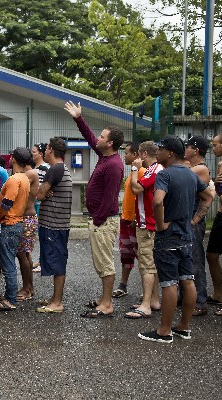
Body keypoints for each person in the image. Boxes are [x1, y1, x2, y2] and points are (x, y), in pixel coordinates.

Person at [138, 136, 213, 343]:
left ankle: (164, 331)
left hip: (168, 237)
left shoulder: (165, 175)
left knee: (169, 283)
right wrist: (195, 219)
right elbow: (208, 196)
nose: (157, 152)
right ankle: (184, 327)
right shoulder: (190, 175)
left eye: (160, 149)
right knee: (187, 280)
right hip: (186, 236)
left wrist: (160, 224)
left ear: (169, 153)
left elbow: (158, 201)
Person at [64, 101, 124, 318]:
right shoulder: (105, 157)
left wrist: (98, 220)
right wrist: (79, 118)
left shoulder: (114, 165)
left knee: (105, 263)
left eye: (102, 136)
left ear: (110, 143)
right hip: (101, 220)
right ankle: (103, 298)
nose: (97, 138)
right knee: (101, 262)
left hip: (104, 221)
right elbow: (90, 138)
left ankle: (107, 303)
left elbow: (110, 197)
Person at [124, 141, 162, 319]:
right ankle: (153, 299)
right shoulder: (151, 170)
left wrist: (133, 170)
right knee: (150, 263)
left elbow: (137, 188)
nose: (137, 157)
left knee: (146, 265)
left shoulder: (155, 170)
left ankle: (146, 304)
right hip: (144, 222)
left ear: (144, 154)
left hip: (149, 224)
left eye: (139, 154)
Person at [35, 138, 73, 313]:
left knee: (57, 262)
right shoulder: (60, 168)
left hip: (54, 224)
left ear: (51, 150)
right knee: (56, 260)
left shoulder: (55, 169)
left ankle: (57, 302)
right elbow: (44, 192)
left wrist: (43, 191)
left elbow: (40, 195)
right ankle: (54, 298)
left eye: (47, 148)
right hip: (57, 223)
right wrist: (44, 191)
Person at [0, 147, 30, 311]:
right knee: (9, 261)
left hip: (9, 223)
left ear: (14, 159)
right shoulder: (25, 178)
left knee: (8, 262)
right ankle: (10, 295)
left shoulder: (14, 180)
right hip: (18, 222)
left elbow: (7, 203)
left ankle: (10, 299)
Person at [184, 136, 211, 316]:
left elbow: (181, 177)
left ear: (196, 150)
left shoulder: (200, 169)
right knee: (185, 258)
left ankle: (200, 300)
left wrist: (195, 219)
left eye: (187, 147)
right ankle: (186, 296)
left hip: (193, 218)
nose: (184, 149)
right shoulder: (191, 168)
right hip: (186, 217)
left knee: (195, 259)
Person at [113, 142, 143, 298]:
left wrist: (136, 218)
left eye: (127, 153)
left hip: (134, 221)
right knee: (126, 254)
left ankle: (149, 293)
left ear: (136, 155)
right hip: (125, 219)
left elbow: (142, 197)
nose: (125, 156)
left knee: (143, 256)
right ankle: (123, 285)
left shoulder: (142, 172)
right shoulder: (133, 173)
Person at [206, 133, 222, 305]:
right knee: (212, 254)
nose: (213, 149)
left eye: (215, 145)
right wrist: (218, 180)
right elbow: (221, 194)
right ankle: (218, 294)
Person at [15, 149, 39, 301]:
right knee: (26, 253)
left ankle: (26, 288)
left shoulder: (29, 174)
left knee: (22, 254)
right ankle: (30, 287)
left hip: (26, 218)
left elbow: (13, 183)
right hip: (29, 218)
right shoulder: (32, 173)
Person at [31, 143, 49, 272]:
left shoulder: (45, 168)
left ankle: (44, 263)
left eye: (34, 152)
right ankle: (41, 259)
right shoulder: (35, 167)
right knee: (39, 233)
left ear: (41, 154)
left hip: (40, 204)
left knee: (43, 233)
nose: (33, 154)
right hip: (34, 204)